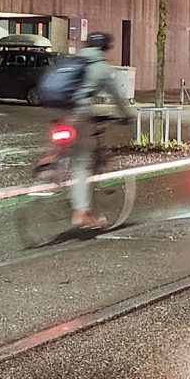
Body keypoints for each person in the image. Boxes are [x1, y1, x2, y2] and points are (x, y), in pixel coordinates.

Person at [68, 31, 135, 230]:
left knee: (66, 149)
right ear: (104, 48)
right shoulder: (101, 68)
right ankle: (80, 211)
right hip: (78, 114)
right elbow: (116, 97)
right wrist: (125, 115)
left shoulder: (75, 61)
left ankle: (49, 163)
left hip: (56, 110)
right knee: (82, 162)